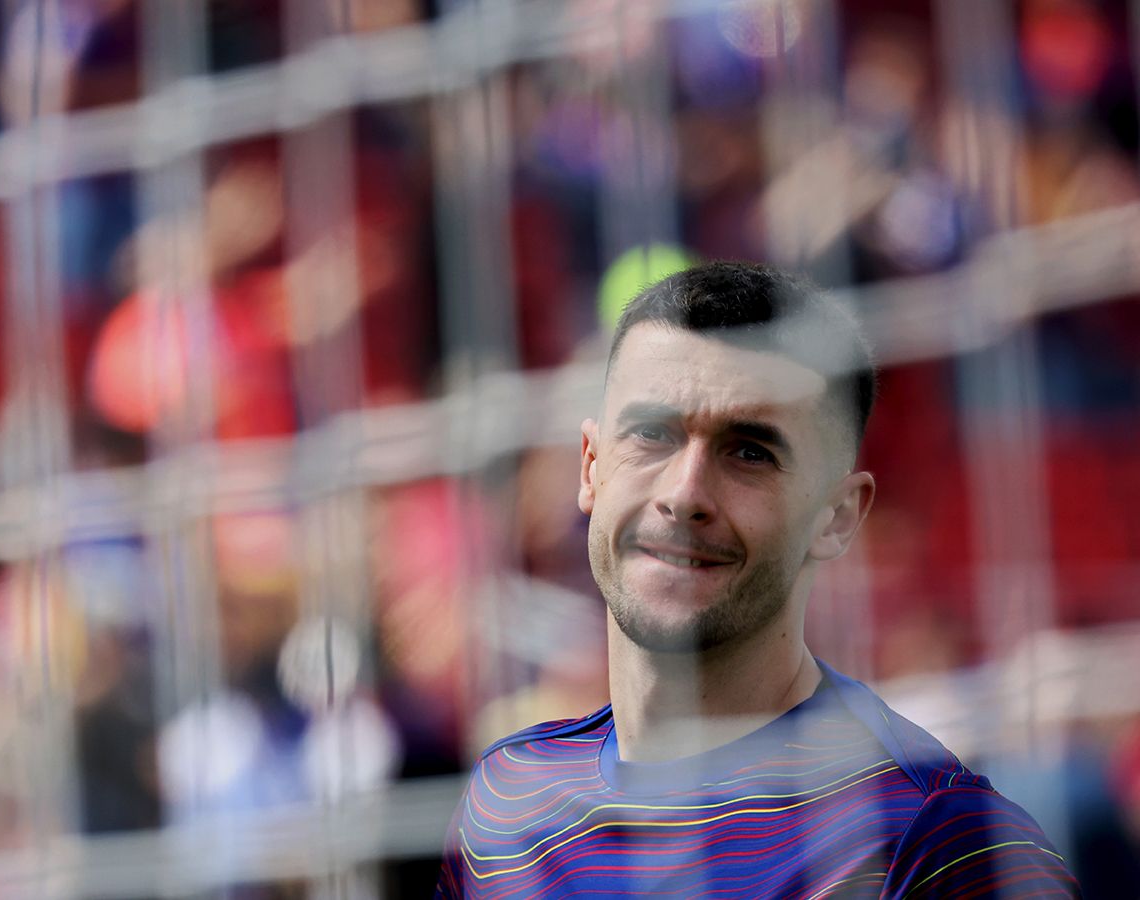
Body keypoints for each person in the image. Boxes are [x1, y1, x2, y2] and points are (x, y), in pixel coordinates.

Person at [435, 262, 1080, 897]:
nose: (684, 494)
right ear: (590, 467)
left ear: (836, 517)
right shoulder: (507, 803)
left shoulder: (934, 841)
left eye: (750, 452)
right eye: (652, 433)